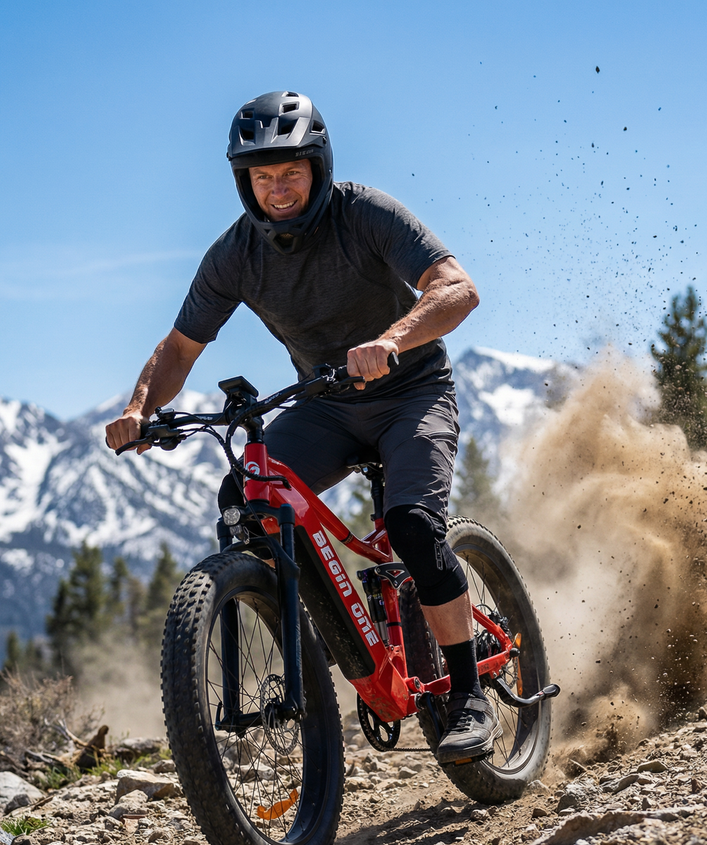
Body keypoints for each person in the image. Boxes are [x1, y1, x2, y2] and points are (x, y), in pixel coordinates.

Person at [105, 90, 500, 763]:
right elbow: (179, 349)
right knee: (246, 500)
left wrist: (393, 340)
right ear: (244, 182)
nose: (278, 188)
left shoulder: (365, 213)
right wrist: (139, 409)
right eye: (263, 176)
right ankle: (319, 642)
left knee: (412, 527)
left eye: (291, 172)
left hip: (411, 393)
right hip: (327, 406)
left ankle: (467, 694)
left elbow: (457, 288)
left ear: (318, 167)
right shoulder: (235, 253)